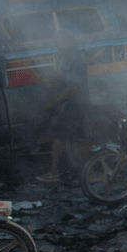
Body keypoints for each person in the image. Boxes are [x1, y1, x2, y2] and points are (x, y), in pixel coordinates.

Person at [37, 31, 90, 183]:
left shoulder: (76, 58)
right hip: (73, 104)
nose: (57, 44)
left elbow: (73, 86)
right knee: (79, 138)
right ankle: (89, 174)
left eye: (59, 41)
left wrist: (53, 103)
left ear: (68, 41)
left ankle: (54, 173)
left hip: (75, 104)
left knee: (60, 137)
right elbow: (63, 76)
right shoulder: (66, 57)